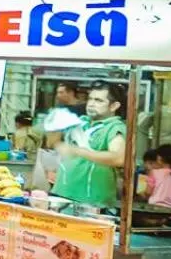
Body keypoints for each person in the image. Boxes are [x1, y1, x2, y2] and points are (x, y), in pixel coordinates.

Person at [52, 81, 128, 210]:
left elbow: (118, 158)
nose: (91, 104)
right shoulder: (81, 122)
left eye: (99, 100)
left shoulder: (114, 127)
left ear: (114, 106)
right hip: (62, 196)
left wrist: (79, 151)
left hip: (91, 204)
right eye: (90, 99)